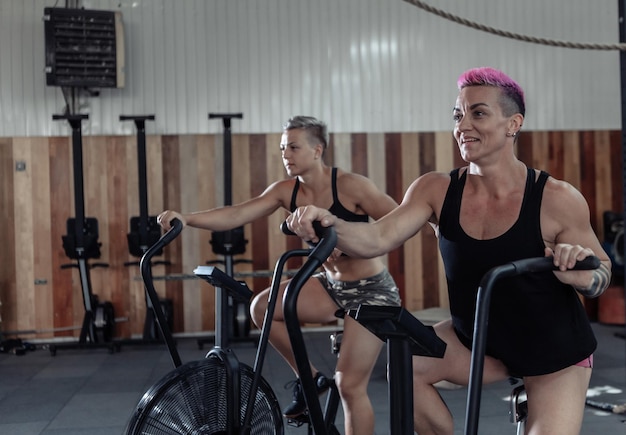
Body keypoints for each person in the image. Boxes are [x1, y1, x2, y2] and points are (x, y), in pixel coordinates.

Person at [286, 67, 612, 434]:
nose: (463, 125)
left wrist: (582, 275)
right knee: (407, 363)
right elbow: (375, 238)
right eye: (458, 114)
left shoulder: (556, 198)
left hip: (553, 351)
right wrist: (328, 222)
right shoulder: (436, 190)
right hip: (476, 342)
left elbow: (601, 270)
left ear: (513, 124)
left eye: (478, 113)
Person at [157, 115, 400, 434]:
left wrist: (352, 239)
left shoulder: (352, 185)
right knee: (263, 307)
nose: (286, 154)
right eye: (283, 147)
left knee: (350, 386)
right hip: (329, 285)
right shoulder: (287, 191)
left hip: (370, 290)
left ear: (317, 150)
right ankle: (310, 379)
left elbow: (397, 223)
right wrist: (186, 218)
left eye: (294, 147)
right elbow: (238, 213)